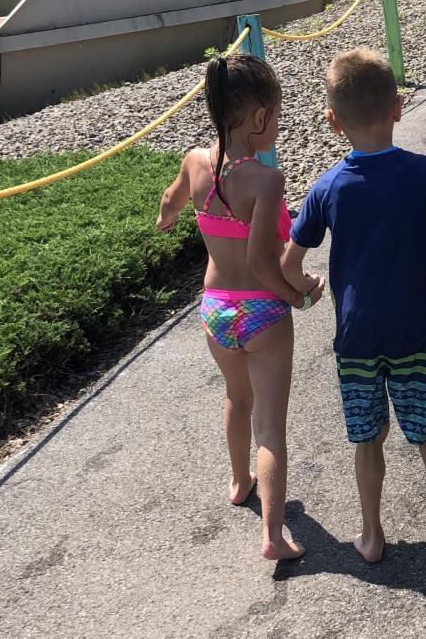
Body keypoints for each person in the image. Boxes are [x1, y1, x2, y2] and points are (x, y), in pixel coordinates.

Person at [282, 48, 426, 585]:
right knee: (423, 424)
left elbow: (289, 262)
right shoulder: (422, 172)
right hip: (414, 328)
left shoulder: (326, 187)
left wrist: (306, 291)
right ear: (398, 106)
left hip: (358, 337)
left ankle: (370, 534)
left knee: (368, 437)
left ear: (332, 121)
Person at [156, 52, 325, 561]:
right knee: (270, 425)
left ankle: (238, 481)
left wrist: (169, 215)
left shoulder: (194, 162)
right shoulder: (265, 181)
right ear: (259, 119)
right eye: (277, 115)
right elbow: (260, 262)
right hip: (261, 313)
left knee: (237, 398)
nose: (277, 125)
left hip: (214, 309)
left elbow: (168, 206)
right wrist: (297, 296)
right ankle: (273, 536)